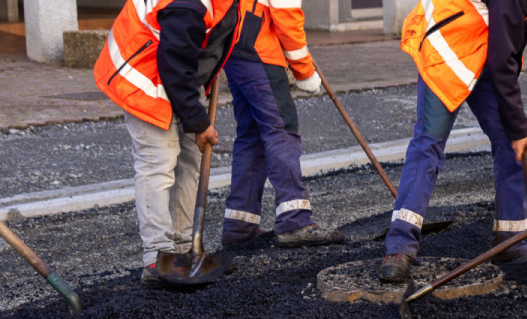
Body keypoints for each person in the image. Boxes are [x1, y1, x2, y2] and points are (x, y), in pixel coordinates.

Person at [378, 0, 527, 283]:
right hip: (449, 42)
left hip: (485, 46)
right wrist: (520, 125)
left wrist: (516, 128)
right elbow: (504, 58)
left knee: (513, 142)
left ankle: (510, 241)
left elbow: (509, 42)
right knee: (428, 145)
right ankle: (399, 247)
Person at [94, 0, 241, 287]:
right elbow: (173, 65)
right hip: (142, 77)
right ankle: (157, 256)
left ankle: (185, 249)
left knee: (190, 161)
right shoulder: (187, 5)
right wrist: (199, 123)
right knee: (157, 162)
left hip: (173, 75)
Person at [221, 0, 344, 248]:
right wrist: (305, 73)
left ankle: (239, 225)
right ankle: (294, 221)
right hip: (259, 48)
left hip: (234, 47)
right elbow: (287, 16)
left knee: (251, 136)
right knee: (281, 131)